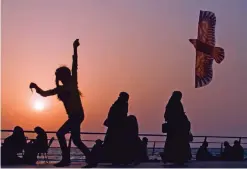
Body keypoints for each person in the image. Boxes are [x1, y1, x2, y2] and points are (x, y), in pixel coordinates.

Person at [29, 39, 95, 167]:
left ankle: (66, 160)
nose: (60, 78)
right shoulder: (60, 89)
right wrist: (36, 87)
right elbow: (44, 94)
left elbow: (75, 65)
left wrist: (75, 48)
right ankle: (91, 159)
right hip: (75, 116)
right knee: (76, 140)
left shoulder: (72, 83)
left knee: (60, 134)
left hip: (77, 115)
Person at [161, 91, 191, 165]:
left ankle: (168, 156)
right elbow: (180, 115)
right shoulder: (177, 104)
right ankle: (178, 158)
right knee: (178, 143)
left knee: (170, 143)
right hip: (177, 128)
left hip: (172, 128)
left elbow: (166, 116)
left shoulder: (169, 105)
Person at [103, 92, 129, 165]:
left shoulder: (118, 104)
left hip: (116, 126)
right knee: (116, 143)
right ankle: (116, 159)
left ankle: (114, 158)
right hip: (117, 126)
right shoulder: (120, 104)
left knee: (114, 143)